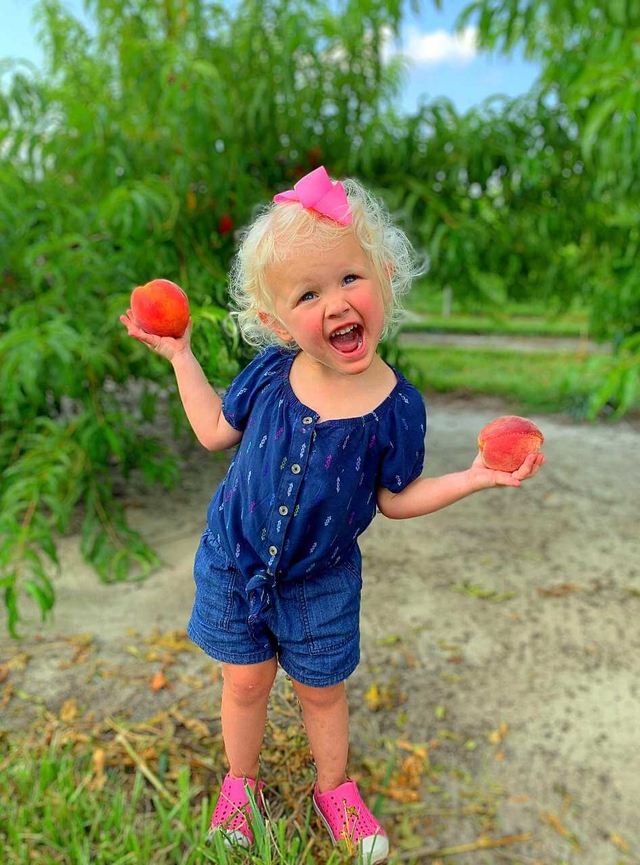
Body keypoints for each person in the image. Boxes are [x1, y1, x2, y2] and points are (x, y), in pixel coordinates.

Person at [120, 166, 544, 863]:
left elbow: (394, 499)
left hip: (321, 577)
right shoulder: (267, 374)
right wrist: (180, 355)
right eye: (308, 293)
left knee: (322, 692)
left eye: (350, 278)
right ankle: (241, 784)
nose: (337, 302)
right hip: (236, 560)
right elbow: (212, 433)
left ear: (383, 275)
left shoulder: (397, 407)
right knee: (245, 680)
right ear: (276, 320)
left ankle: (333, 788)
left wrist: (473, 477)